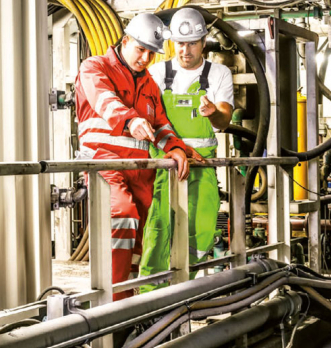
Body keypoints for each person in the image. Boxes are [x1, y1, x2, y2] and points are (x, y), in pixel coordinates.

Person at [75, 13, 193, 300]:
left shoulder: (149, 85)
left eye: (151, 53)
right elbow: (104, 100)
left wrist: (175, 148)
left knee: (137, 238)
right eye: (141, 49)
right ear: (126, 40)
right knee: (122, 215)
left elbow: (161, 125)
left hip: (140, 173)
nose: (145, 58)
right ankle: (111, 302)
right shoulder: (95, 67)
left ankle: (127, 301)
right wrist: (129, 119)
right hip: (105, 164)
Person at [139, 7, 235, 292]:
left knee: (201, 228)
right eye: (180, 43)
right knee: (158, 229)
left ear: (204, 42)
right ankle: (151, 297)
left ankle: (183, 289)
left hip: (202, 167)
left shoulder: (218, 73)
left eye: (192, 43)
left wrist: (213, 113)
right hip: (164, 166)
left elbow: (225, 119)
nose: (185, 50)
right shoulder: (157, 72)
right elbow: (148, 115)